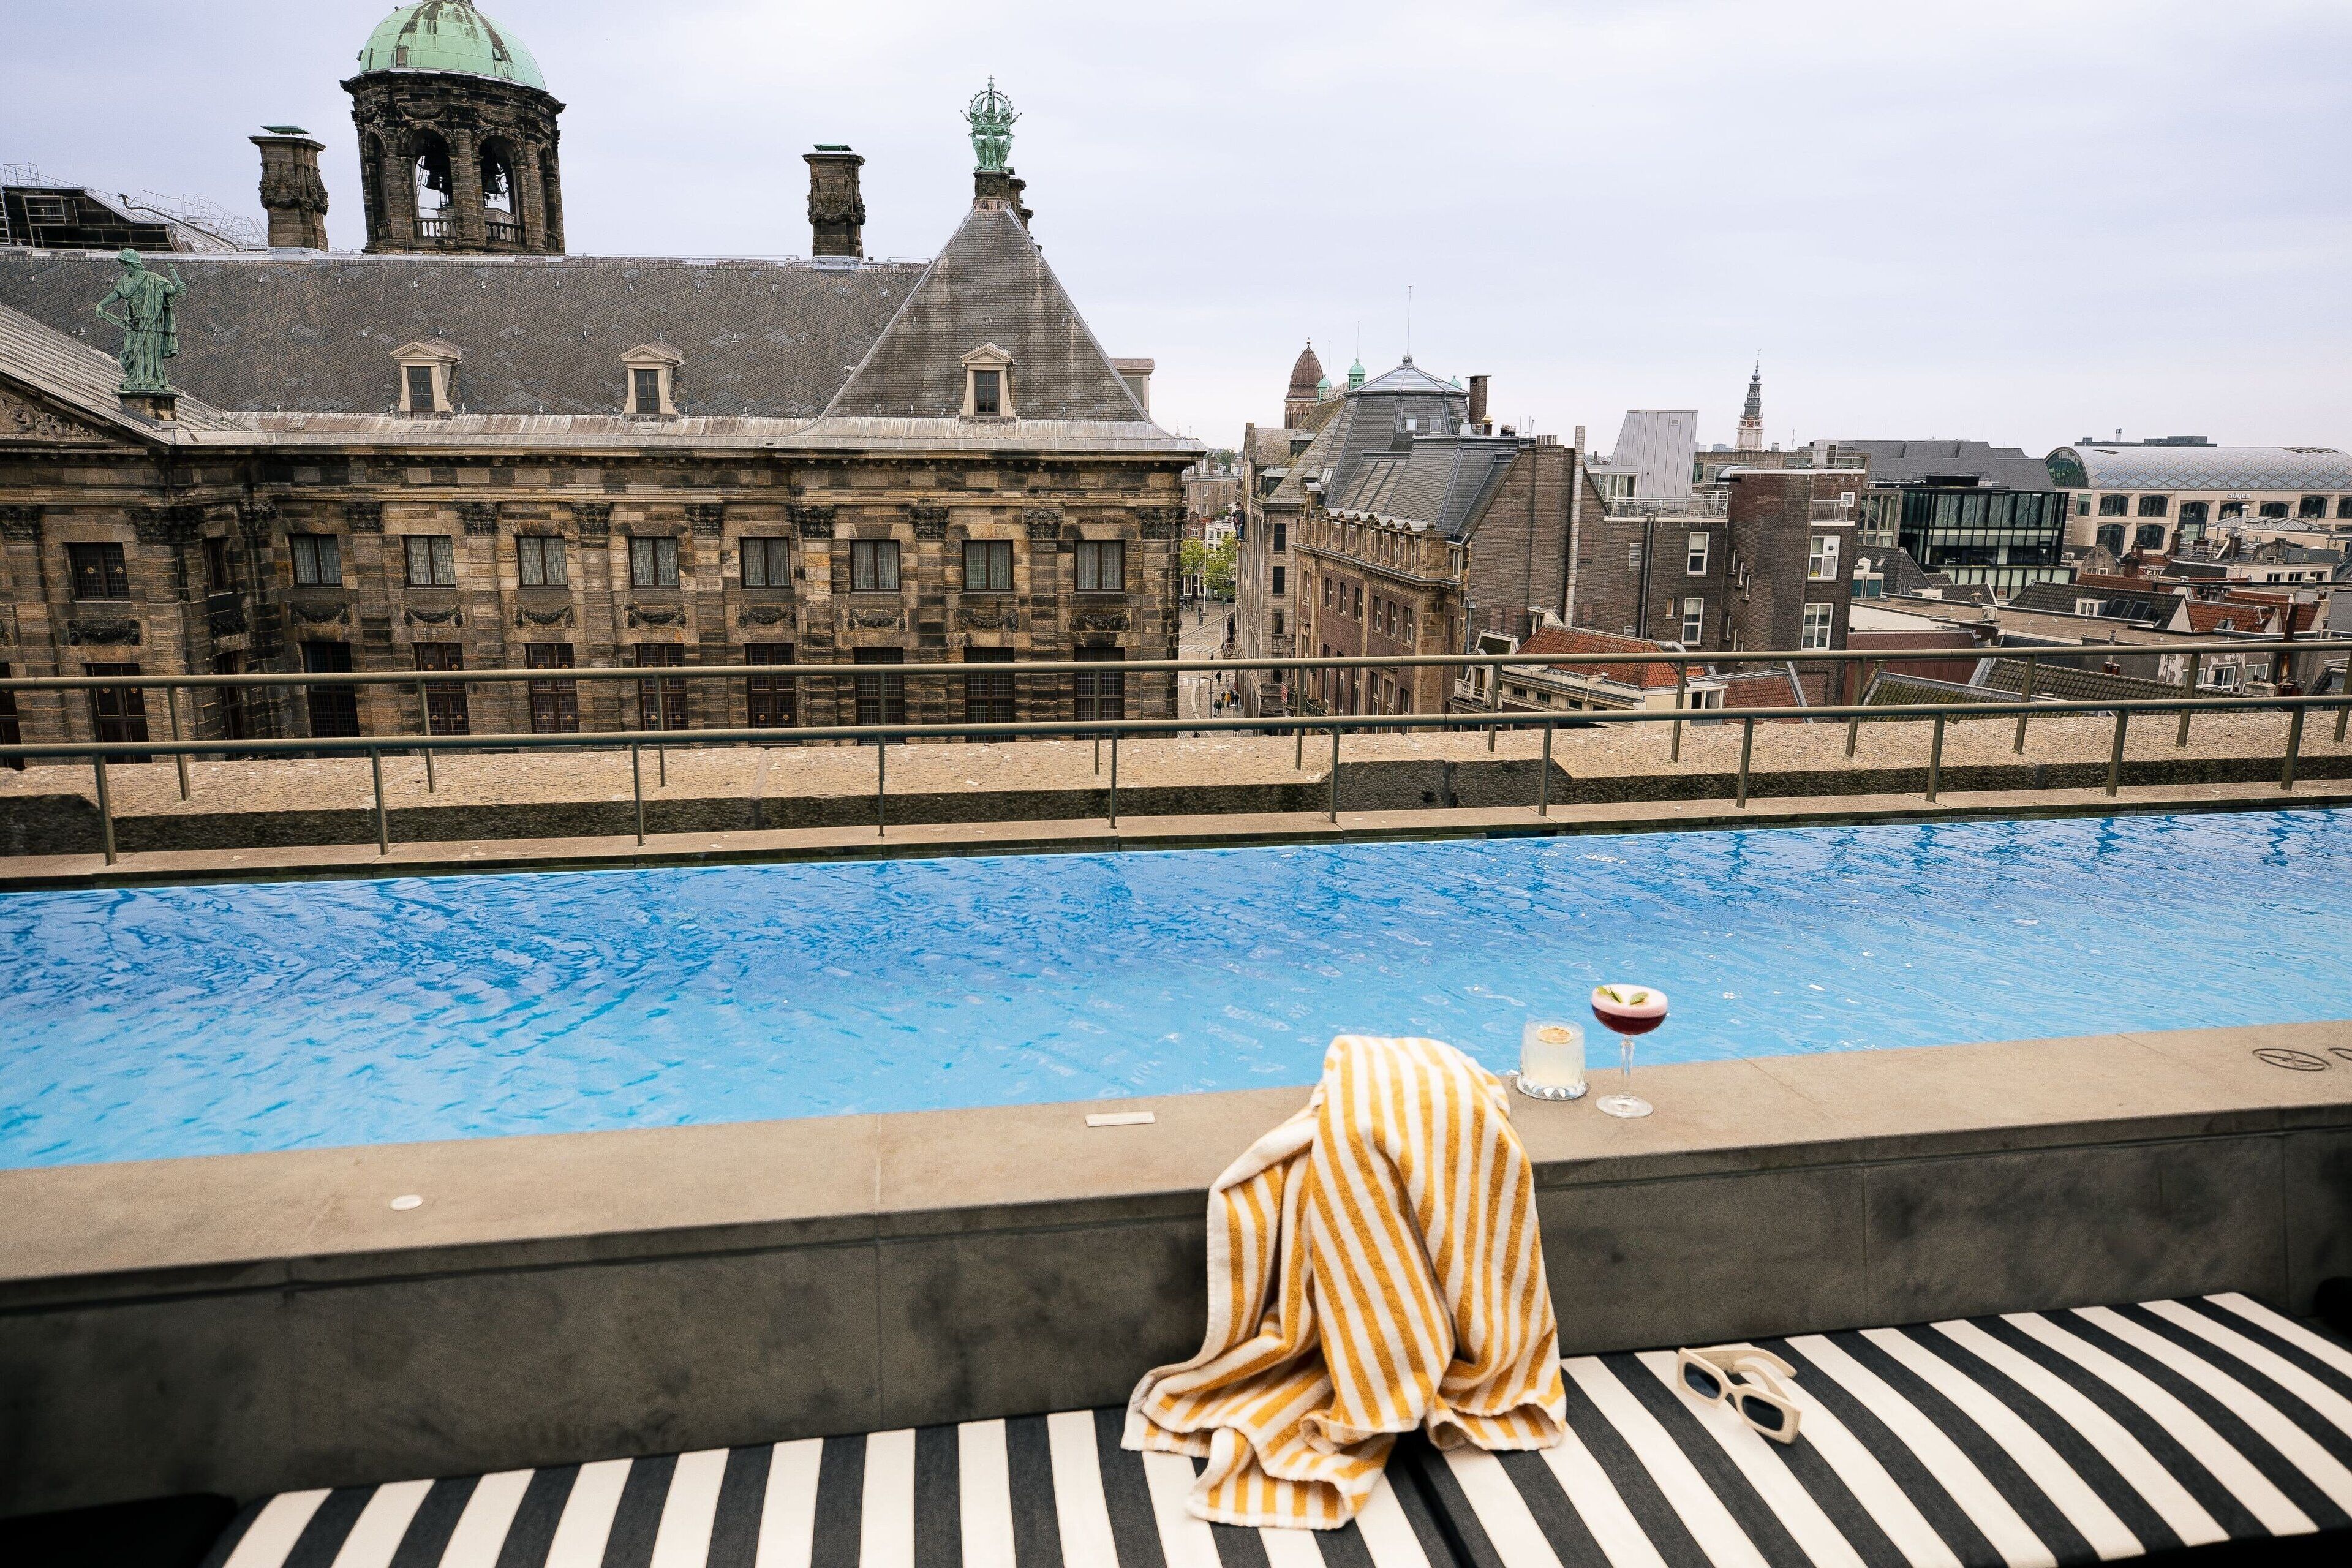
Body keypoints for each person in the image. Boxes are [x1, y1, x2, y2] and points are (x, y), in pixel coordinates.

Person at [95, 249, 186, 394]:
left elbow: (166, 289)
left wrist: (175, 289)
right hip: (132, 321)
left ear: (135, 264)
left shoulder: (152, 278)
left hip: (150, 321)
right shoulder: (124, 280)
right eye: (124, 264)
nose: (125, 267)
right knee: (129, 349)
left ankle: (150, 378)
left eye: (127, 264)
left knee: (149, 350)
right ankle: (134, 376)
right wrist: (102, 304)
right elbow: (116, 294)